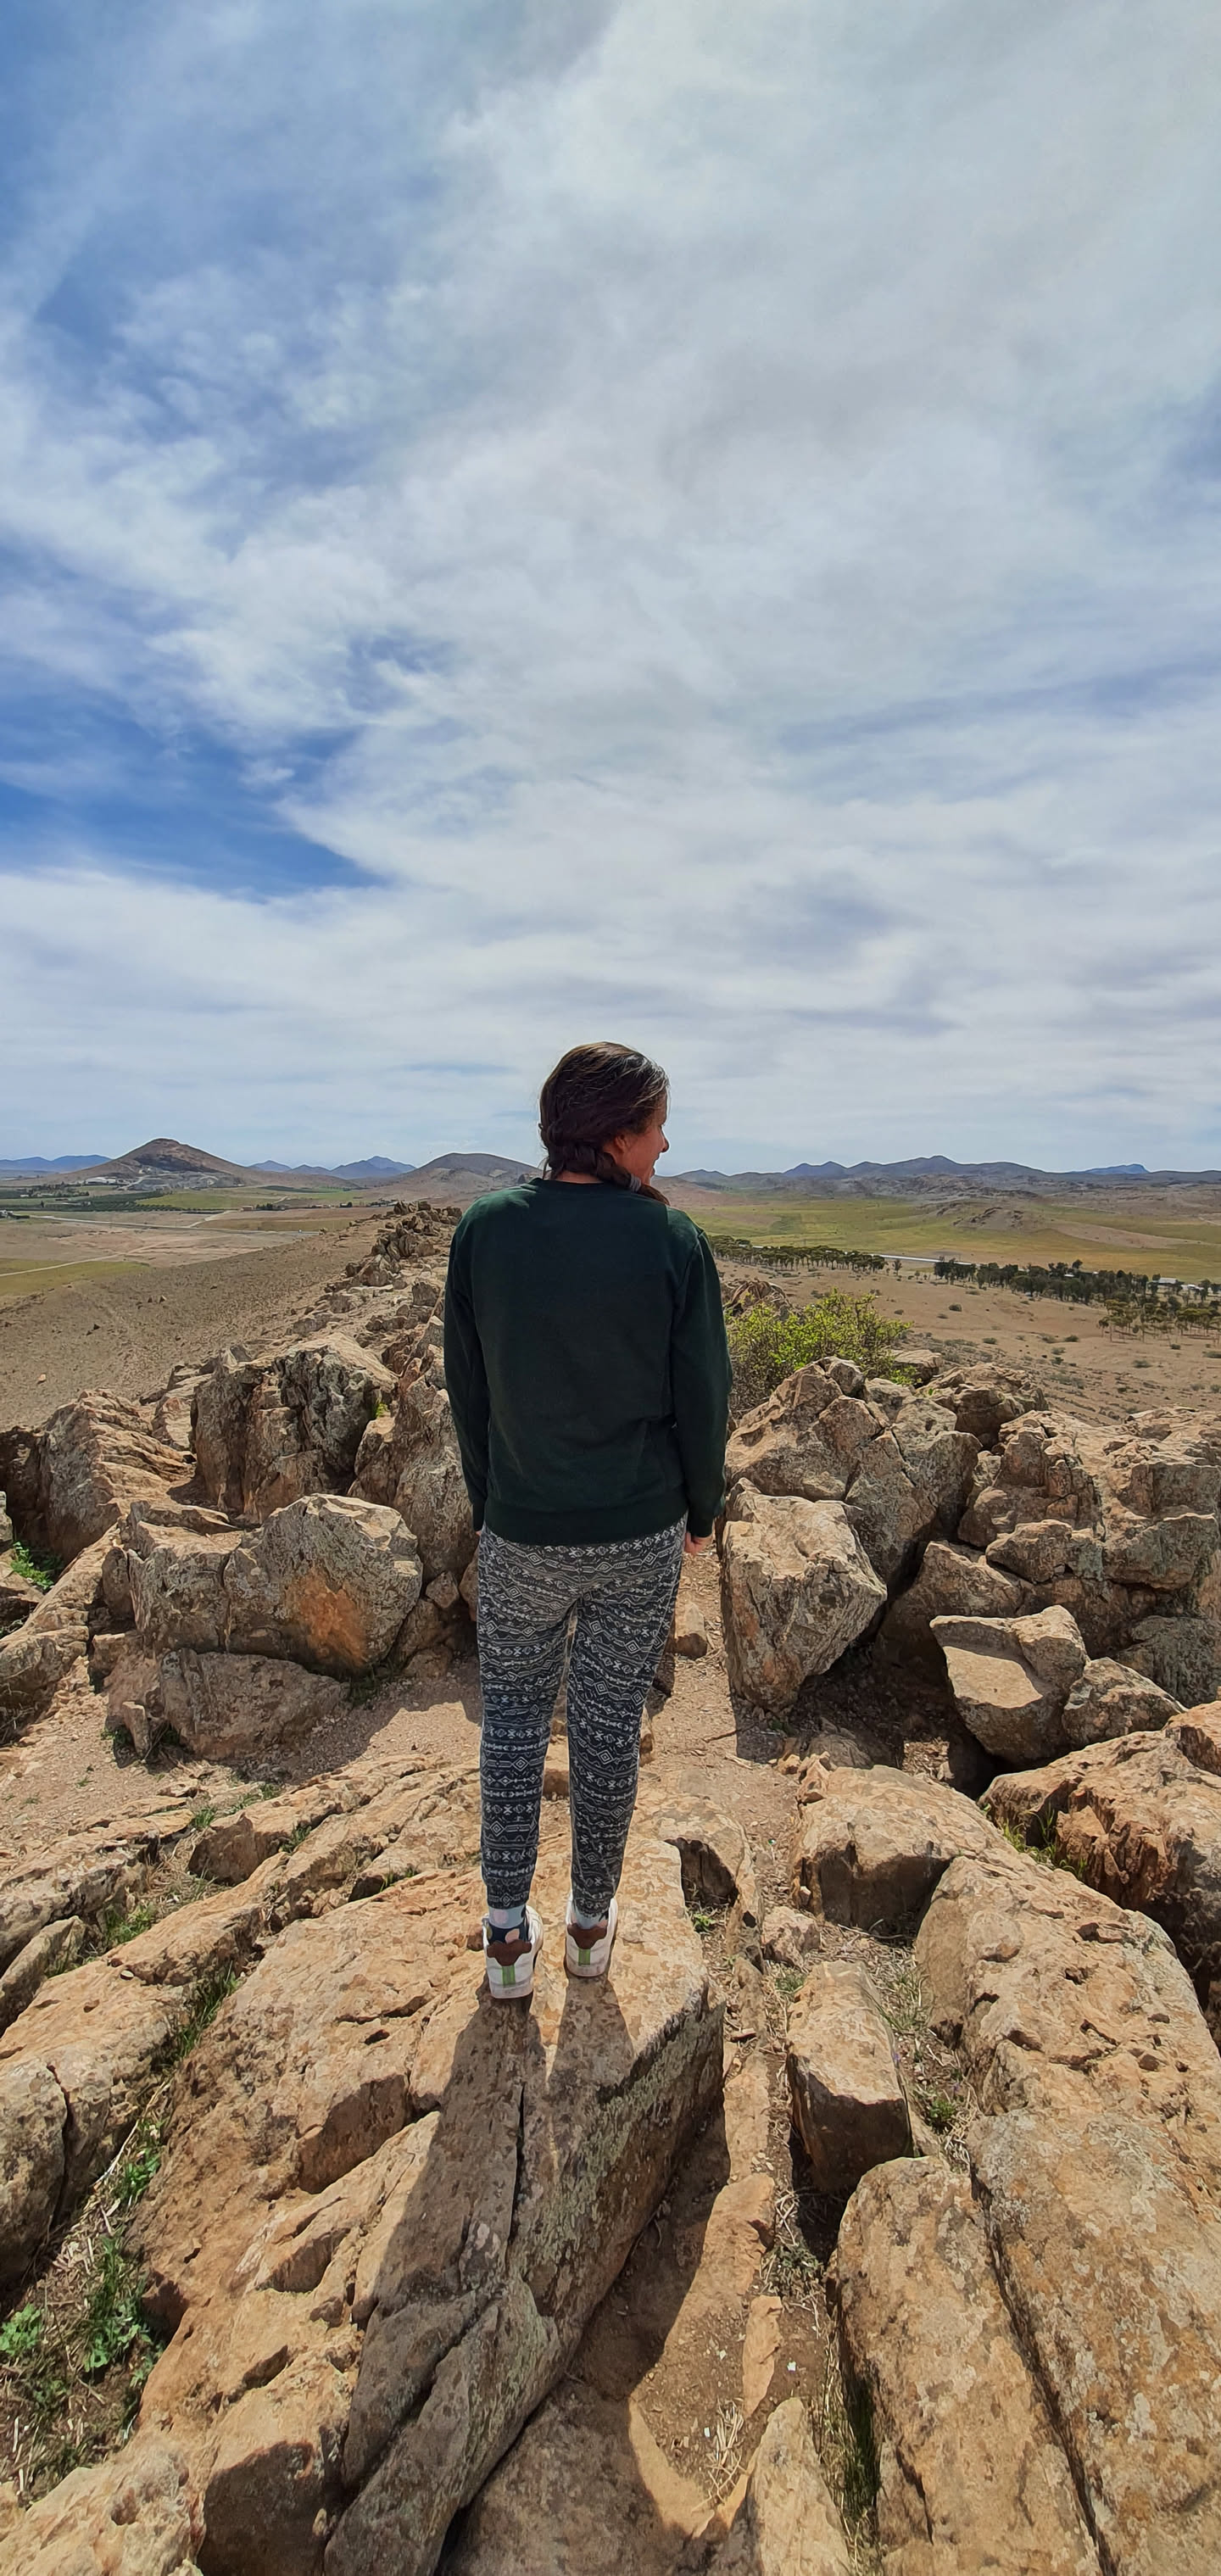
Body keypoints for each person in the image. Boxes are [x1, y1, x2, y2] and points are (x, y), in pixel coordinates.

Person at [443, 1041, 731, 1998]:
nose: (665, 1144)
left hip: (523, 1528)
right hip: (638, 1534)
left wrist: (491, 1501)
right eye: (656, 1126)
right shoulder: (673, 1241)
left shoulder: (486, 1230)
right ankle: (590, 1928)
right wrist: (702, 1507)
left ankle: (505, 1940)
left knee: (513, 1724)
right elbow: (703, 1393)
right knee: (608, 1728)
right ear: (614, 1135)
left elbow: (468, 1388)